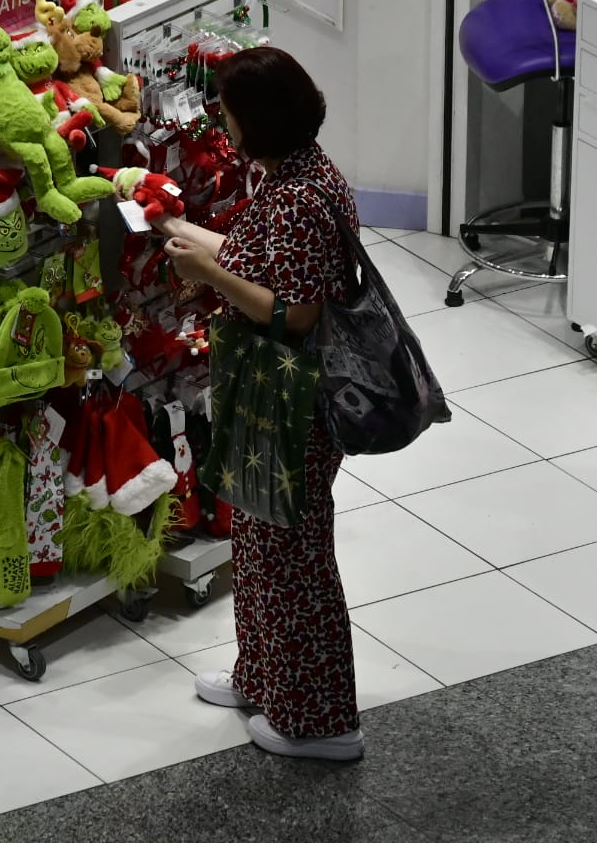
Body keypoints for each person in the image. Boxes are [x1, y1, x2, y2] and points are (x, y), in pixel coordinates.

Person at [156, 46, 364, 761]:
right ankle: (264, 677)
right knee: (256, 544)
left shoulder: (303, 197)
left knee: (293, 558)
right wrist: (197, 242)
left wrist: (208, 270)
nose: (220, 118)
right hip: (269, 393)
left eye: (228, 108)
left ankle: (321, 722)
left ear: (257, 118)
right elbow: (265, 256)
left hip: (296, 399)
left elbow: (297, 312)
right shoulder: (297, 173)